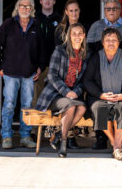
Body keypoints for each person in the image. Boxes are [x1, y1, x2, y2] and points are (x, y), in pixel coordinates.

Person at [82, 27, 122, 161]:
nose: (111, 43)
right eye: (107, 40)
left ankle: (116, 147)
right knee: (99, 108)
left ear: (119, 42)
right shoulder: (96, 57)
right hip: (100, 97)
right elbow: (87, 80)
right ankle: (117, 146)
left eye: (114, 40)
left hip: (121, 97)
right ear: (102, 42)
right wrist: (101, 95)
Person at [0, 0, 42, 149]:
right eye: (22, 5)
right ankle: (6, 136)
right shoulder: (8, 24)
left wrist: (40, 66)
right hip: (10, 72)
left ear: (32, 9)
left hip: (29, 73)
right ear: (17, 7)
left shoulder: (36, 25)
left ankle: (25, 136)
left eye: (28, 6)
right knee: (9, 105)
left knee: (27, 106)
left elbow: (43, 49)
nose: (25, 8)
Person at [34, 22, 88, 158]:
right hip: (55, 94)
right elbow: (52, 75)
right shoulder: (60, 50)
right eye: (74, 33)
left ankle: (57, 135)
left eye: (80, 33)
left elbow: (84, 80)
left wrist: (77, 91)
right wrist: (66, 91)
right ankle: (63, 143)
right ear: (69, 36)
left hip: (74, 95)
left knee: (82, 108)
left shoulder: (85, 55)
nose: (77, 36)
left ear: (84, 36)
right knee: (70, 106)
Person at [54, 0, 83, 149]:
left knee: (78, 106)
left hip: (76, 74)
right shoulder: (60, 29)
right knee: (70, 106)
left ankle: (66, 136)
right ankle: (65, 137)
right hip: (63, 74)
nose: (74, 13)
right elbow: (58, 53)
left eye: (76, 10)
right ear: (66, 12)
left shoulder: (83, 28)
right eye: (71, 10)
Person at [35, 0, 60, 100]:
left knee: (55, 94)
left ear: (54, 1)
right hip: (38, 64)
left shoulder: (60, 19)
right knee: (36, 94)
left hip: (55, 63)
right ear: (40, 1)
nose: (47, 1)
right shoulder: (34, 18)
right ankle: (36, 116)